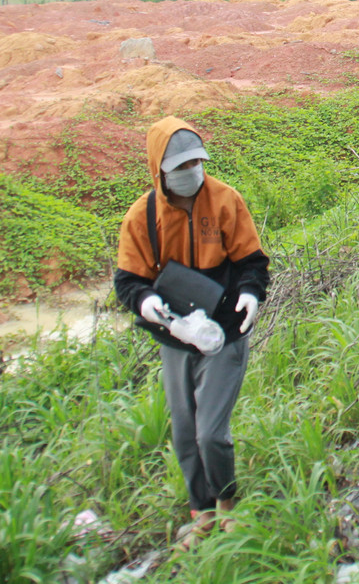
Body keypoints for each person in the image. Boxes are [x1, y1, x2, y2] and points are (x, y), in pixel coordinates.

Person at [114, 117, 269, 535]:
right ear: (159, 170)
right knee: (184, 434)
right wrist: (146, 304)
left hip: (225, 332)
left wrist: (251, 294)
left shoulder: (224, 201)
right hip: (177, 336)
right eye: (180, 167)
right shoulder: (142, 217)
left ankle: (227, 501)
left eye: (195, 163)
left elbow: (250, 261)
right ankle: (201, 512)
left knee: (210, 434)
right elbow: (129, 279)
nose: (190, 173)